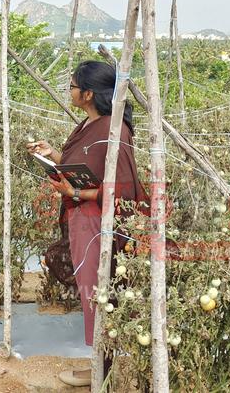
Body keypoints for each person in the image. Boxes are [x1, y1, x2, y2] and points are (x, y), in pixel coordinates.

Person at [27, 60, 145, 388]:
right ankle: (98, 365)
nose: (70, 90)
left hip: (98, 224)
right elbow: (84, 165)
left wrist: (75, 191)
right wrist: (53, 155)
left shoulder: (115, 130)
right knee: (90, 291)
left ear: (89, 93)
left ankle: (102, 371)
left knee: (98, 293)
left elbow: (121, 189)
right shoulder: (87, 125)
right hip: (82, 218)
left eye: (74, 86)